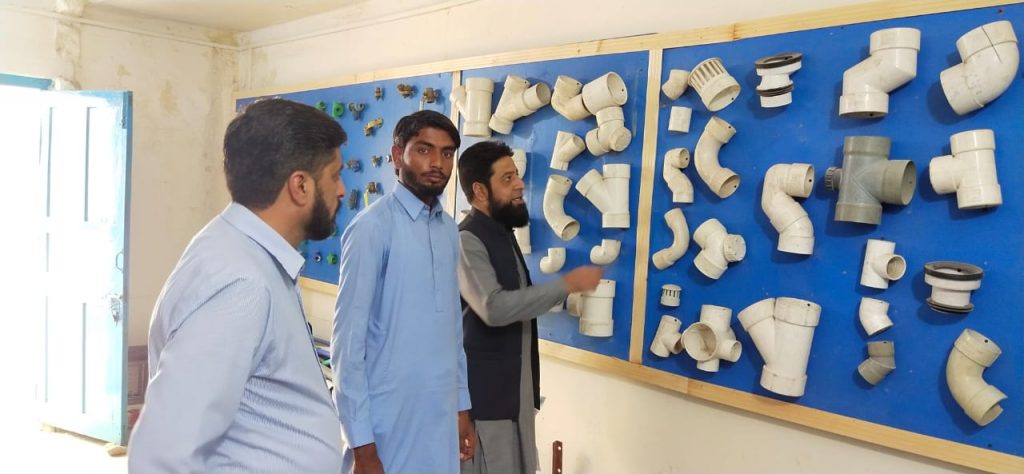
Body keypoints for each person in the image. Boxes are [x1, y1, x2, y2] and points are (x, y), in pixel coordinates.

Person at [128, 98, 347, 473]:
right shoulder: (241, 282)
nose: (341, 190)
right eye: (335, 175)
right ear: (300, 185)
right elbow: (163, 455)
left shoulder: (245, 253)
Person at [333, 110, 473, 474]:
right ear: (397, 156)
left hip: (439, 418)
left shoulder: (449, 231)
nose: (438, 163)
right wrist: (361, 444)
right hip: (386, 424)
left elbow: (453, 332)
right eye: (424, 150)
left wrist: (461, 406)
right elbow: (348, 347)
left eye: (447, 153)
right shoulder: (371, 228)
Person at [456, 141, 602, 474]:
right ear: (480, 191)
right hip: (485, 408)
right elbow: (494, 307)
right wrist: (566, 285)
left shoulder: (501, 234)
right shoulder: (467, 240)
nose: (520, 184)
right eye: (507, 178)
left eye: (517, 175)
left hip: (513, 399)